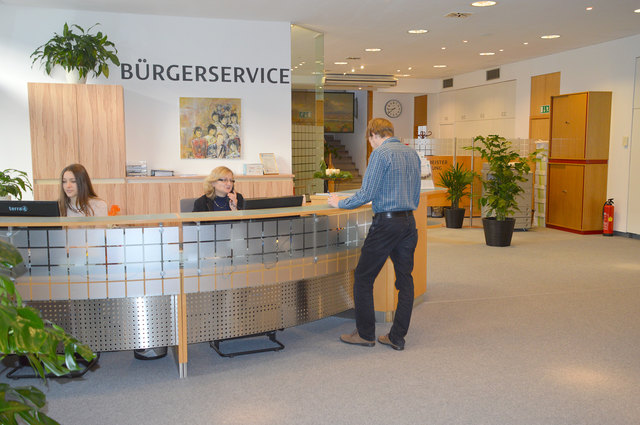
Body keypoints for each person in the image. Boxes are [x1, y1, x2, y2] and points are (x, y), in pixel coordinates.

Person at [328, 118, 421, 351]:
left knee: (363, 277)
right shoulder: (412, 154)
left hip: (386, 224)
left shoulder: (380, 154)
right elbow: (416, 193)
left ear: (373, 135)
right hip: (409, 222)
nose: (370, 143)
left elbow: (366, 193)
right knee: (405, 281)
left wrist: (340, 203)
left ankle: (365, 334)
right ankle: (397, 337)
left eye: (369, 139)